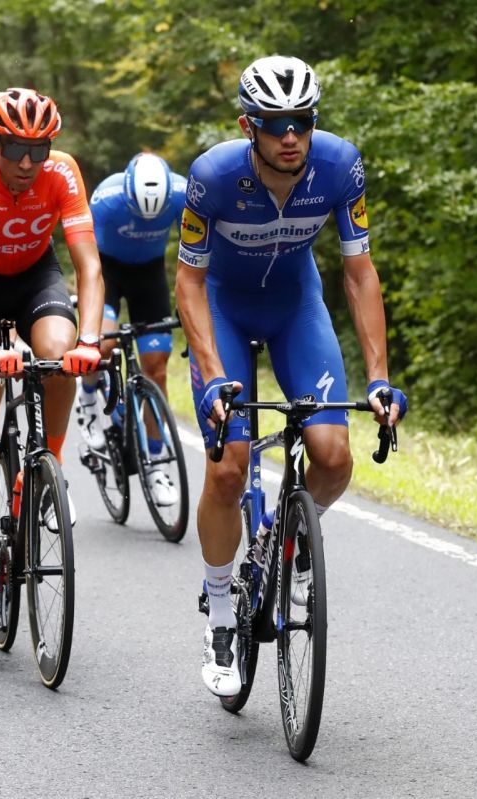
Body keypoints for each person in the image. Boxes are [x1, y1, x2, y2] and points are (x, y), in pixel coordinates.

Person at [175, 56, 408, 696]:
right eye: (274, 123)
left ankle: (284, 538)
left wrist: (380, 378)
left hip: (295, 307)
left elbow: (359, 273)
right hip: (224, 307)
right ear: (247, 126)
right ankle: (220, 611)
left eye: (301, 121)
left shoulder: (340, 165)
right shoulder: (212, 177)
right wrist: (214, 376)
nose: (290, 136)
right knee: (230, 466)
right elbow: (189, 283)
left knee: (333, 456)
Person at [0, 88, 105, 630]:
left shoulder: (62, 172)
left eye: (39, 149)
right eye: (15, 149)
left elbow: (88, 266)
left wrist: (90, 339)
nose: (28, 163)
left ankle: (45, 470)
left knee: (62, 356)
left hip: (36, 277)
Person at [78, 151, 188, 506]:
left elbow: (195, 251)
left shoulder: (181, 193)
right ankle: (88, 398)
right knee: (102, 346)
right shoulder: (105, 200)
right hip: (106, 270)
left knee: (157, 370)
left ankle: (156, 463)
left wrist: (190, 302)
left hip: (149, 275)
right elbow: (85, 257)